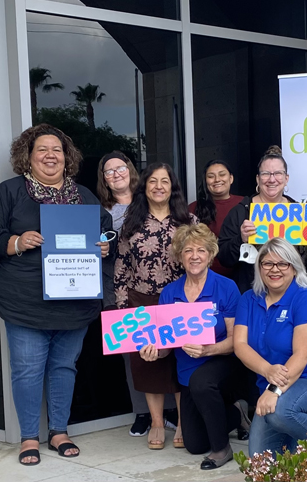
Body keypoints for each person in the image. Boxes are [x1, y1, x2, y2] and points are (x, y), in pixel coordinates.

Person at [0, 124, 114, 466]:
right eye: (42, 149)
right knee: (27, 370)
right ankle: (28, 437)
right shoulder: (10, 192)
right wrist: (16, 241)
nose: (51, 155)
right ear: (29, 156)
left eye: (57, 150)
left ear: (67, 157)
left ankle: (58, 431)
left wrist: (103, 246)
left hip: (75, 300)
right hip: (26, 302)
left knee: (64, 367)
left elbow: (105, 228)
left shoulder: (83, 195)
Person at [142, 224, 250, 469]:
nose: (194, 256)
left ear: (210, 255)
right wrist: (154, 352)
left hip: (223, 361)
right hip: (188, 373)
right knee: (195, 444)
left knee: (203, 382)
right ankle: (237, 414)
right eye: (188, 250)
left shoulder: (226, 287)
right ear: (180, 256)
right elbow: (166, 345)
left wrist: (207, 350)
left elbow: (235, 340)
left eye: (201, 250)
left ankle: (222, 449)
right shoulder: (170, 293)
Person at [234, 238, 307, 456]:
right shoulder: (249, 299)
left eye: (283, 263)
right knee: (260, 463)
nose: (275, 269)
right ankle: (298, 442)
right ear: (259, 268)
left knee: (281, 413)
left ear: (294, 268)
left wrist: (274, 390)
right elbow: (240, 345)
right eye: (268, 263)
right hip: (272, 384)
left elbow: (303, 355)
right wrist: (267, 371)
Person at [114, 162, 196, 450]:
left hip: (181, 299)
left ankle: (184, 422)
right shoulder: (131, 221)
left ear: (173, 187)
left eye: (165, 181)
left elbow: (200, 260)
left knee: (181, 361)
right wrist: (122, 308)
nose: (159, 186)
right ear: (144, 187)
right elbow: (121, 267)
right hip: (142, 300)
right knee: (148, 362)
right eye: (153, 181)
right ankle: (157, 423)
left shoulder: (188, 220)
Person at [97, 151, 177, 436]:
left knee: (170, 352)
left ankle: (172, 412)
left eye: (120, 168)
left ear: (131, 171)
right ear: (103, 179)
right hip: (123, 290)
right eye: (109, 171)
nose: (116, 174)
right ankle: (144, 414)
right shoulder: (101, 212)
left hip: (167, 293)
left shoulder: (156, 206)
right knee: (135, 355)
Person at [218, 146, 299, 294]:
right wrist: (241, 239)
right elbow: (223, 258)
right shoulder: (240, 212)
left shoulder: (299, 211)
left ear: (286, 179)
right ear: (258, 179)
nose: (272, 179)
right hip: (252, 293)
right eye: (266, 174)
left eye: (278, 173)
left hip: (291, 293)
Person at [188, 160, 242, 277]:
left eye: (222, 174)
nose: (217, 179)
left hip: (241, 275)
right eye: (211, 176)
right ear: (205, 181)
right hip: (205, 276)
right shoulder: (193, 209)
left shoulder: (245, 204)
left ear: (231, 178)